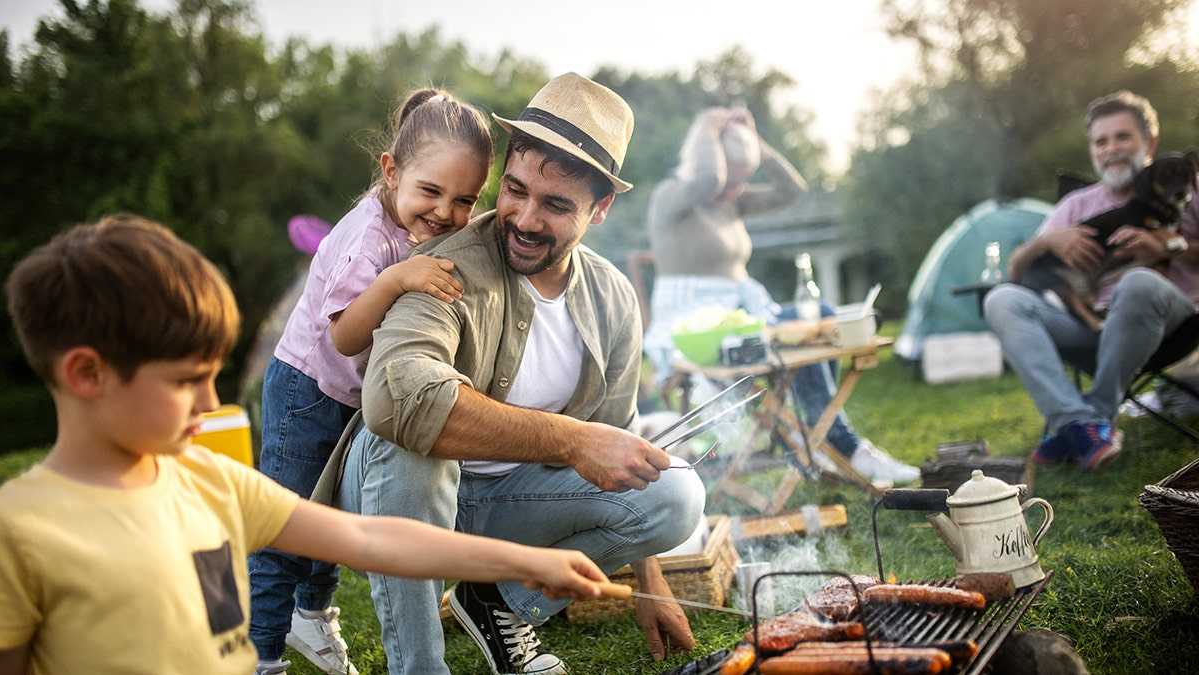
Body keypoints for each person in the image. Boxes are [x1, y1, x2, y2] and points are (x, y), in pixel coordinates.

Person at [0, 216, 613, 675]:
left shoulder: (212, 484)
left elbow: (372, 538)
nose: (212, 403)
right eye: (188, 380)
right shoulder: (22, 535)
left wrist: (526, 563)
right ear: (87, 374)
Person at [315, 72, 707, 675]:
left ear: (599, 208)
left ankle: (499, 600)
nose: (523, 218)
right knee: (409, 443)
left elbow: (620, 444)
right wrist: (570, 439)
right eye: (515, 190)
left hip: (512, 505)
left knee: (677, 494)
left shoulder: (613, 298)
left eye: (555, 205)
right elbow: (399, 399)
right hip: (396, 492)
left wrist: (649, 585)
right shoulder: (442, 263)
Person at [248, 88, 494, 675]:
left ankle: (312, 615)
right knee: (287, 522)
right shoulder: (367, 239)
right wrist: (398, 280)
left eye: (465, 200)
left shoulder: (415, 222)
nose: (444, 212)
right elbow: (345, 337)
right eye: (431, 191)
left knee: (327, 512)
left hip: (352, 395)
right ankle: (258, 654)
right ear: (392, 170)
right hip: (306, 390)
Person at [643, 106, 920, 484]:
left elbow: (794, 189)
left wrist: (756, 142)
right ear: (709, 159)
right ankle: (841, 446)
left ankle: (820, 437)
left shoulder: (732, 202)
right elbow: (709, 179)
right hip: (693, 325)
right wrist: (709, 124)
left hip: (741, 314)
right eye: (731, 178)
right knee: (796, 323)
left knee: (818, 313)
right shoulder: (671, 197)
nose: (734, 188)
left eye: (743, 179)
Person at [985, 90, 1199, 470]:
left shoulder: (1188, 189)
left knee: (1138, 282)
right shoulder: (1076, 206)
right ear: (1092, 150)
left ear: (1149, 141)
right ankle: (1080, 424)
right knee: (1001, 299)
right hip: (1093, 323)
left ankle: (1092, 417)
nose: (1111, 149)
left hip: (1173, 324)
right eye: (1101, 141)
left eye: (1122, 137)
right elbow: (1016, 271)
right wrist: (1046, 241)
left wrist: (1168, 248)